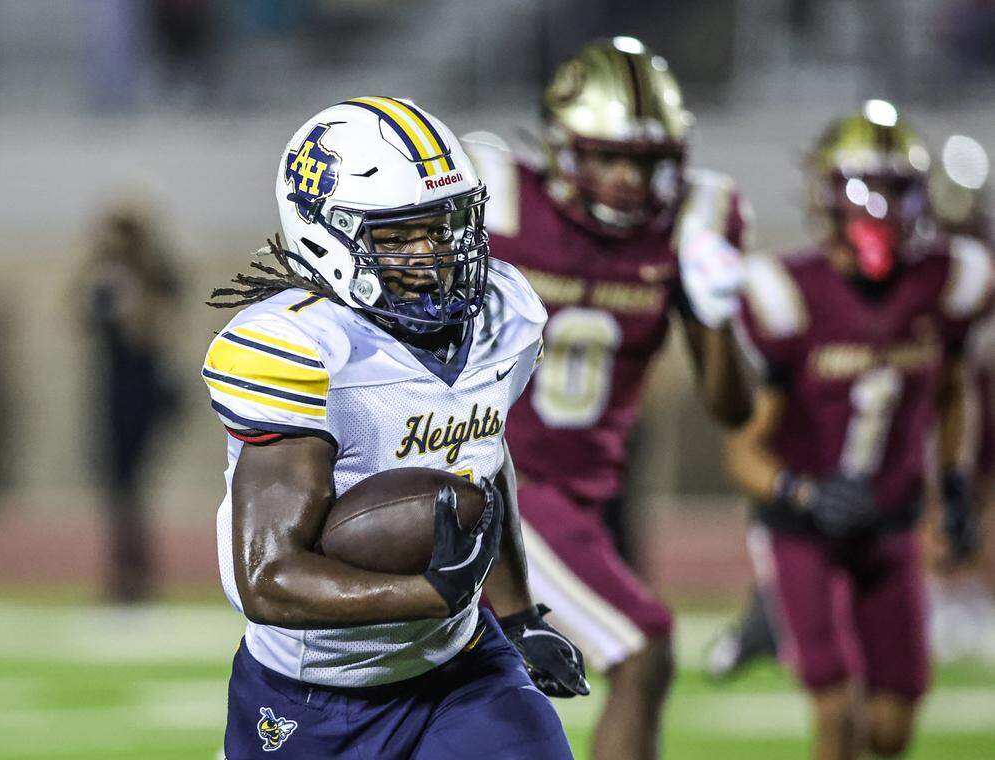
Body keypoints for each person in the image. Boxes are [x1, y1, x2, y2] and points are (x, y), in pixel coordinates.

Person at [203, 97, 587, 759]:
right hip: (316, 695)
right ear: (327, 234)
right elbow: (266, 577)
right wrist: (424, 592)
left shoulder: (505, 314)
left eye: (444, 227)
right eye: (400, 235)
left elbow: (484, 460)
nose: (433, 254)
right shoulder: (297, 347)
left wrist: (519, 616)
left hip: (460, 664)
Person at [465, 37, 753, 760]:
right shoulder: (494, 195)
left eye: (647, 161)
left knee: (475, 696)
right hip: (499, 481)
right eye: (607, 156)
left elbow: (732, 408)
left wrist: (716, 312)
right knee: (644, 647)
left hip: (582, 496)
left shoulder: (696, 220)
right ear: (562, 145)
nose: (628, 178)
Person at [725, 101, 990, 759]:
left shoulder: (945, 281)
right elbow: (745, 448)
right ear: (827, 193)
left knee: (894, 726)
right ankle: (767, 613)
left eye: (899, 188)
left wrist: (954, 482)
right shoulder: (788, 293)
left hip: (893, 520)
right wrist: (805, 495)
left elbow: (954, 392)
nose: (883, 206)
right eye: (866, 187)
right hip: (803, 525)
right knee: (837, 712)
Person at [82, 202, 182, 602]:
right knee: (118, 486)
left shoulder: (152, 277)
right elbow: (76, 317)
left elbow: (150, 330)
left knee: (131, 484)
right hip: (113, 391)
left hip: (143, 391)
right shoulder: (103, 276)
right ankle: (126, 570)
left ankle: (135, 574)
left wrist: (132, 293)